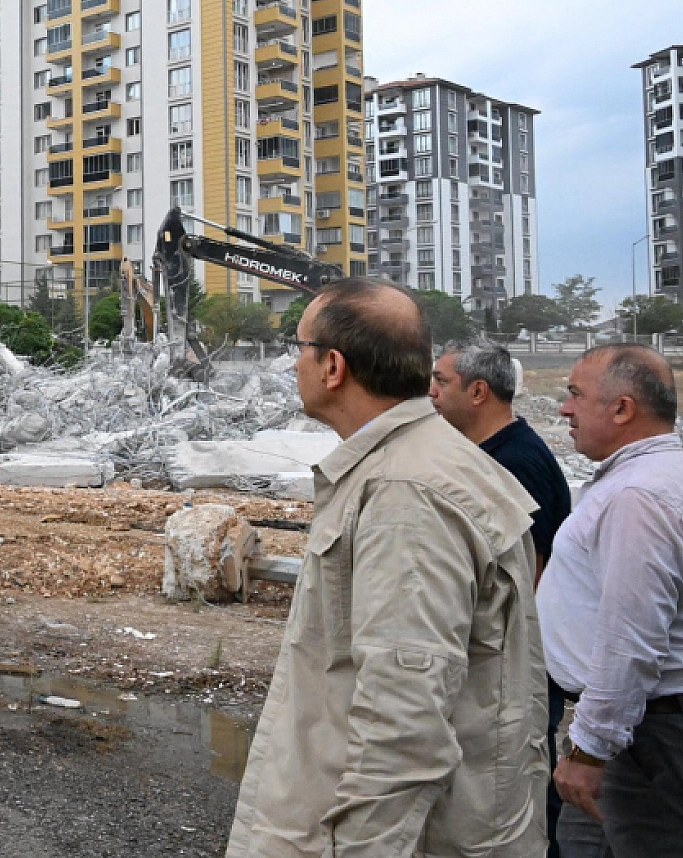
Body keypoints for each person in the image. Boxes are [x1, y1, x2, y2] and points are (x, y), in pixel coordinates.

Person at [228, 279, 548, 858]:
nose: (292, 363)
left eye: (299, 346)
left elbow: (404, 724)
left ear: (332, 366)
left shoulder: (407, 492)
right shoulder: (419, 466)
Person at [540, 344, 683, 858]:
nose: (564, 409)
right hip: (638, 727)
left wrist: (589, 751)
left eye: (575, 395)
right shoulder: (667, 480)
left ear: (623, 409)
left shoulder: (641, 496)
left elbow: (630, 639)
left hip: (653, 734)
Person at [430, 338, 574, 854]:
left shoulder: (517, 461)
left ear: (479, 391)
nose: (431, 393)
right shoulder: (492, 454)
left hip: (518, 661)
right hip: (507, 660)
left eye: (441, 382)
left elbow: (525, 577)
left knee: (520, 788)